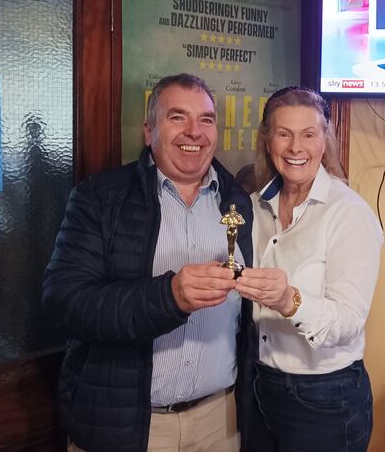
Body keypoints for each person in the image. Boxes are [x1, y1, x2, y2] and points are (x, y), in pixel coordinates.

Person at [43, 73, 254, 452]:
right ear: (148, 130)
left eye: (206, 120)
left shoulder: (238, 202)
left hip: (219, 422)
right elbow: (64, 303)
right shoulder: (98, 198)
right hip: (127, 426)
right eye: (177, 117)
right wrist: (168, 297)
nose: (195, 132)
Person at [235, 86, 383, 452]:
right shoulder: (252, 207)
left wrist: (290, 300)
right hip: (258, 386)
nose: (295, 147)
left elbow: (348, 321)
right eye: (284, 134)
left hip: (325, 399)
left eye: (308, 135)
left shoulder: (349, 214)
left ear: (325, 141)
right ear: (268, 142)